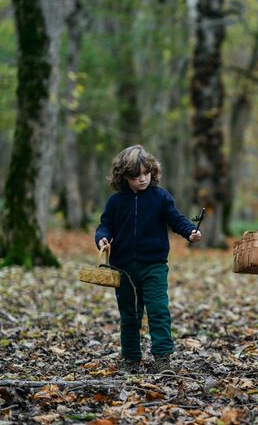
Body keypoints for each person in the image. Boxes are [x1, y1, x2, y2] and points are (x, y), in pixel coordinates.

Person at [95, 145, 202, 375]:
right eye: (136, 176)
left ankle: (163, 358)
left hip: (154, 266)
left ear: (153, 172)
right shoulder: (115, 202)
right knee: (130, 315)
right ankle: (131, 359)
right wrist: (102, 238)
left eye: (147, 173)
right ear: (123, 176)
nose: (142, 179)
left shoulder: (160, 197)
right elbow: (105, 225)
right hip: (123, 269)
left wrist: (190, 231)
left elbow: (176, 219)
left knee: (158, 311)